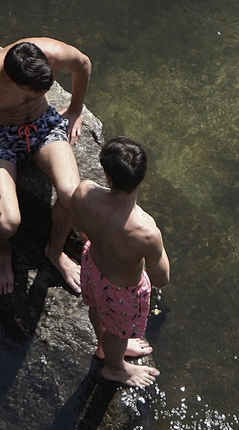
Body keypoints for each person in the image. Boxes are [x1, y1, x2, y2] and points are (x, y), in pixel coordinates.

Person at [0, 38, 91, 295]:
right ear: (15, 82)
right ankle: (2, 249)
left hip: (44, 126)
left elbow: (83, 64)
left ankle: (55, 251)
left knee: (72, 195)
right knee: (7, 223)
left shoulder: (53, 54)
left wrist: (75, 108)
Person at [71, 137, 170, 387]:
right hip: (122, 291)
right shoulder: (145, 232)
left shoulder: (85, 191)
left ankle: (104, 346)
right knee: (119, 330)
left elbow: (80, 223)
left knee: (97, 308)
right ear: (142, 176)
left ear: (107, 174)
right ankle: (115, 366)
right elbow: (161, 279)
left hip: (92, 267)